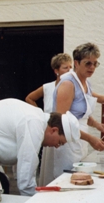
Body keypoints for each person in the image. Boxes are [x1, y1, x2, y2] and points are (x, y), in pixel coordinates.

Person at [51, 42, 104, 179]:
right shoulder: (68, 84)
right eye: (88, 63)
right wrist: (90, 139)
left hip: (80, 138)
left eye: (95, 63)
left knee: (80, 177)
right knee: (68, 177)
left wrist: (98, 125)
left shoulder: (86, 83)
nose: (92, 67)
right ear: (76, 63)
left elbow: (83, 113)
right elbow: (62, 121)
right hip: (67, 140)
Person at [25, 53, 72, 186]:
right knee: (49, 165)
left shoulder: (70, 87)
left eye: (70, 67)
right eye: (65, 67)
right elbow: (30, 98)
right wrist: (39, 114)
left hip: (61, 131)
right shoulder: (48, 87)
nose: (69, 70)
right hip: (49, 129)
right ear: (56, 70)